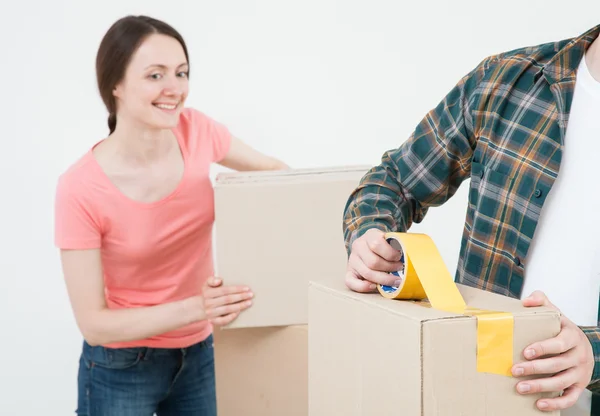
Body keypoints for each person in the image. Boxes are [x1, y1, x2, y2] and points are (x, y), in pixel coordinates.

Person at [342, 24, 600, 414]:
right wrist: (370, 236)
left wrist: (592, 350)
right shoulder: (506, 81)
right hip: (477, 392)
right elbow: (395, 180)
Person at [54, 15, 288, 416]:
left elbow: (275, 176)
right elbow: (94, 324)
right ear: (115, 85)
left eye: (181, 73)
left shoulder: (196, 130)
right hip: (120, 366)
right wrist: (200, 307)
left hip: (200, 354)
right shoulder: (80, 187)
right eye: (155, 75)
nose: (174, 89)